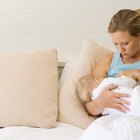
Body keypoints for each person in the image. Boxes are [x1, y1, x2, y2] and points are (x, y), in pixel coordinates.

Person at [76, 8, 140, 117]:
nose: (120, 50)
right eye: (115, 44)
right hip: (118, 121)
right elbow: (89, 106)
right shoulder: (109, 61)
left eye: (125, 43)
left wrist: (134, 74)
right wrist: (101, 102)